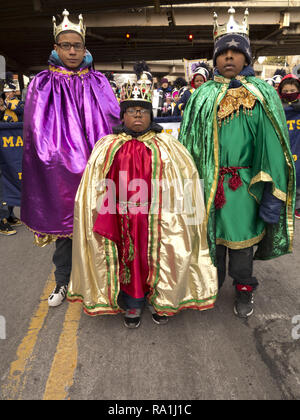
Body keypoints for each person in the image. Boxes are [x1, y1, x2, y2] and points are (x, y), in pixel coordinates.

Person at [67, 64, 218, 328]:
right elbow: (94, 188)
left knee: (164, 255)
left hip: (159, 218)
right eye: (132, 111)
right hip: (121, 216)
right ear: (122, 116)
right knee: (130, 259)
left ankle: (163, 300)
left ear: (151, 115)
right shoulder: (107, 146)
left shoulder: (169, 146)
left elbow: (185, 184)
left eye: (143, 112)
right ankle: (133, 303)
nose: (138, 116)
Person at [179, 7, 296, 318]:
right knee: (211, 243)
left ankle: (244, 288)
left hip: (245, 187)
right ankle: (210, 286)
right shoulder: (201, 96)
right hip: (209, 185)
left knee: (242, 248)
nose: (229, 58)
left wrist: (271, 194)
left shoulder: (262, 95)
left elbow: (272, 147)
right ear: (215, 58)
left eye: (236, 52)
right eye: (223, 52)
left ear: (247, 58)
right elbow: (187, 145)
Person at [21, 9, 120, 306]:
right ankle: (63, 281)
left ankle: (102, 280)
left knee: (101, 225)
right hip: (59, 168)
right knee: (65, 228)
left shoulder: (99, 81)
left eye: (77, 45)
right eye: (66, 45)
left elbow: (113, 120)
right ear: (56, 48)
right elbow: (35, 130)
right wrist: (55, 160)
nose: (73, 51)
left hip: (96, 165)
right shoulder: (41, 83)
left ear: (85, 48)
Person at [277, 74, 300, 219]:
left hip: (298, 148)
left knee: (298, 177)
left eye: (293, 90)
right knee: (282, 176)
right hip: (283, 148)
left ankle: (298, 206)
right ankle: (282, 204)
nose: (289, 93)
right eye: (286, 91)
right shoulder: (277, 109)